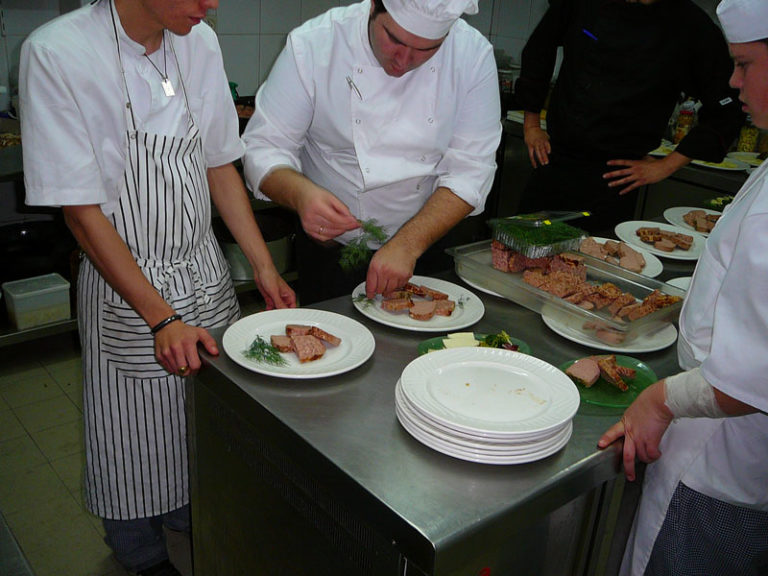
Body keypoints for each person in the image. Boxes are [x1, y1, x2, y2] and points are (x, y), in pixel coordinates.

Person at [19, 1, 296, 574]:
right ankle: (137, 548)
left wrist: (263, 267)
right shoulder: (57, 53)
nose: (212, 4)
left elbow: (220, 164)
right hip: (130, 283)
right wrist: (161, 317)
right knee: (132, 425)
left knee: (198, 417)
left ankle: (185, 515)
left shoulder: (199, 41)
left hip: (203, 268)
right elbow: (81, 213)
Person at [597, 1, 768, 573]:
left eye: (743, 64)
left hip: (719, 463)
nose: (731, 81)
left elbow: (751, 377)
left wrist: (659, 399)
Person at [242, 0, 502, 304]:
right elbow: (265, 146)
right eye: (394, 39)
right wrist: (301, 194)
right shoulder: (315, 44)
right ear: (373, 9)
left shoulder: (472, 56)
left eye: (427, 49)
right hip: (331, 253)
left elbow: (471, 169)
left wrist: (408, 244)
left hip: (427, 246)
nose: (403, 61)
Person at [514, 0, 744, 235]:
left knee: (589, 265)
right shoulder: (580, 3)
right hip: (555, 159)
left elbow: (727, 106)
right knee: (518, 249)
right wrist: (531, 123)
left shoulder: (690, 24)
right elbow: (539, 48)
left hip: (617, 180)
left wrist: (666, 165)